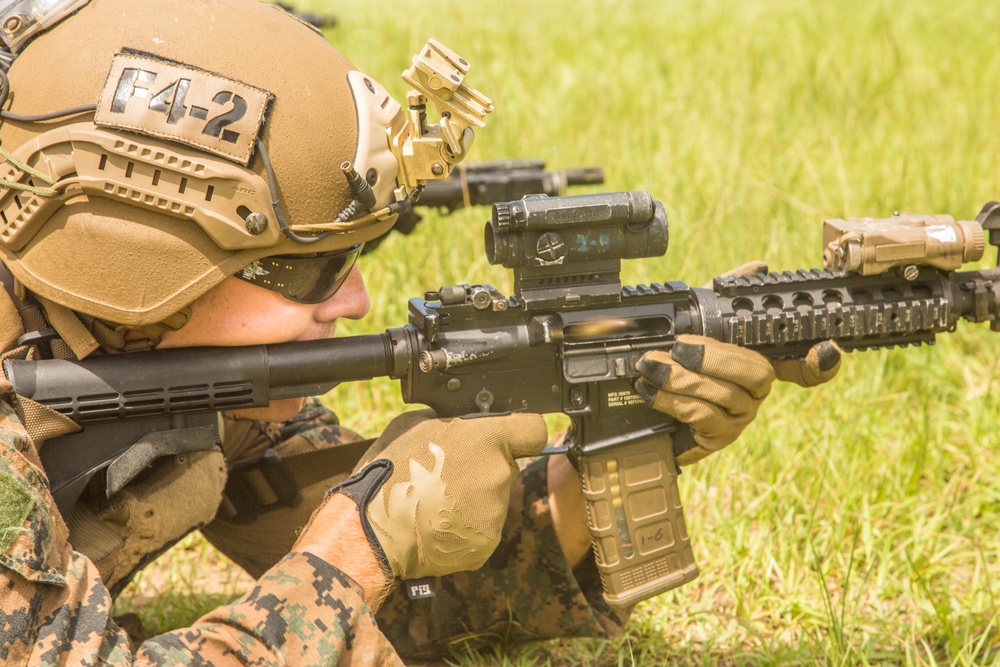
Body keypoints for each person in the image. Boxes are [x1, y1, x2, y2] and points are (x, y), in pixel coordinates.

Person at [0, 0, 841, 664]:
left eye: (354, 257)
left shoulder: (179, 356)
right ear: (137, 263)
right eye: (308, 269)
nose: (359, 300)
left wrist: (597, 470)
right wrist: (350, 552)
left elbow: (425, 603)